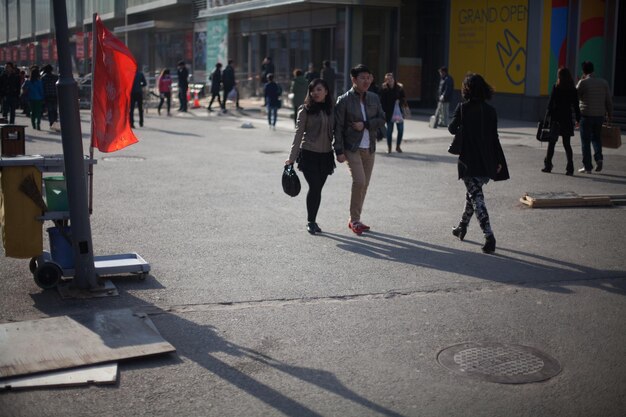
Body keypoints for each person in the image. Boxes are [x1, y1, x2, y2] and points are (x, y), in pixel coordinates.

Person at [448, 73, 509, 254]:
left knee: (476, 198)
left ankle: (489, 236)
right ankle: (461, 227)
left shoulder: (463, 108)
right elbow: (495, 138)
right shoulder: (491, 111)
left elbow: (451, 128)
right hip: (487, 161)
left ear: (466, 89)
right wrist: (498, 161)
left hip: (469, 161)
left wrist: (462, 123)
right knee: (473, 195)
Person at [334, 64, 386, 235]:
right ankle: (354, 220)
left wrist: (365, 124)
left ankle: (355, 218)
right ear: (353, 79)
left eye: (368, 77)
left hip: (369, 147)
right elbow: (338, 127)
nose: (366, 81)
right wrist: (339, 151)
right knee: (360, 181)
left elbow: (382, 119)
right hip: (352, 147)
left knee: (365, 184)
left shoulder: (374, 98)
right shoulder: (344, 100)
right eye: (362, 78)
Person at [285, 79, 336, 234]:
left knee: (318, 189)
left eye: (319, 89)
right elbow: (298, 134)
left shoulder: (332, 109)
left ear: (326, 91)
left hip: (326, 155)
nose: (315, 93)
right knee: (314, 187)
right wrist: (291, 158)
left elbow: (338, 131)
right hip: (309, 155)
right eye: (313, 90)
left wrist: (341, 151)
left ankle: (312, 219)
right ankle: (311, 221)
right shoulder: (305, 110)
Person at [542, 67, 580, 176]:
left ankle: (548, 166)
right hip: (567, 118)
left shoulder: (556, 87)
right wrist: (578, 119)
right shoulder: (572, 89)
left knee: (552, 143)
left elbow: (550, 104)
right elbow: (576, 106)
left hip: (556, 118)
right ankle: (570, 168)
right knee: (567, 144)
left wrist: (546, 118)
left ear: (559, 76)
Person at [576, 60, 613, 173]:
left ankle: (587, 167)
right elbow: (608, 100)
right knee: (596, 138)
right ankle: (599, 158)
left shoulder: (583, 83)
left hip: (586, 115)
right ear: (593, 70)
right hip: (599, 116)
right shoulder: (603, 82)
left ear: (583, 71)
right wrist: (609, 114)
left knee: (585, 141)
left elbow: (575, 96)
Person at [379, 72, 408, 153]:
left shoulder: (399, 87)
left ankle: (398, 146)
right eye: (387, 79)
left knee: (401, 130)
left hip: (399, 112)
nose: (390, 80)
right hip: (389, 113)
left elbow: (404, 98)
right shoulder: (384, 88)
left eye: (391, 78)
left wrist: (400, 101)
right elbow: (382, 101)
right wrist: (383, 113)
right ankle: (389, 147)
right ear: (386, 80)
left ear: (393, 79)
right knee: (389, 131)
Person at [41, 64, 59, 130]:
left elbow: (42, 88)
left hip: (47, 96)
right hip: (55, 95)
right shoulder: (55, 77)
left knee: (50, 110)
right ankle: (55, 122)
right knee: (55, 110)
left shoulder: (43, 78)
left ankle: (51, 123)